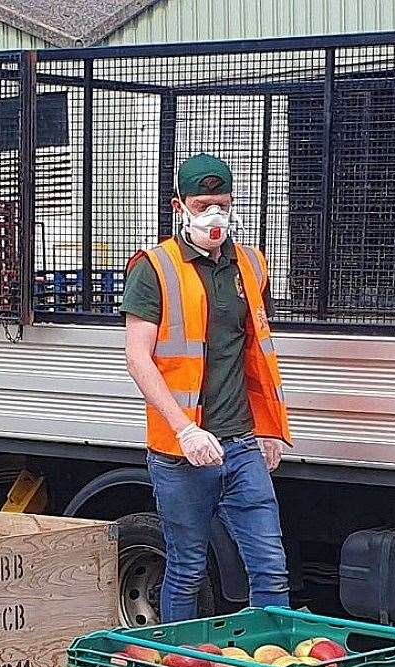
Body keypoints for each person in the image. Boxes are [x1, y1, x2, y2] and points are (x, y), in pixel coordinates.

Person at [121, 153, 293, 622]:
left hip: (241, 445)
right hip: (181, 454)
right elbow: (138, 358)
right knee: (188, 568)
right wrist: (184, 430)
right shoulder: (154, 268)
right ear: (180, 206)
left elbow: (254, 353)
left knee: (271, 567)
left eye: (221, 203)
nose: (213, 214)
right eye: (202, 204)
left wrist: (270, 430)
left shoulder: (252, 265)